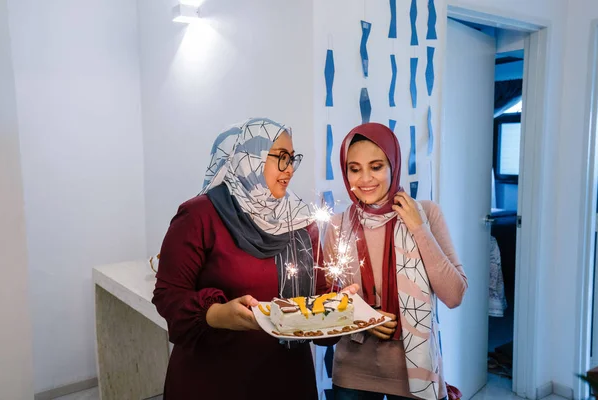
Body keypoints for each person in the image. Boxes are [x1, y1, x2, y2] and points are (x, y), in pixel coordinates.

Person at [152, 118, 347, 399]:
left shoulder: (299, 219)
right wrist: (217, 314)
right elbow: (167, 295)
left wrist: (338, 306)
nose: (290, 169)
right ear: (249, 158)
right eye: (281, 158)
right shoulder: (199, 216)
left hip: (288, 380)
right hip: (215, 381)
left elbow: (318, 294)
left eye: (293, 159)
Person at [325, 123, 468, 400]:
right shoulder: (338, 225)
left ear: (393, 164)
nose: (365, 179)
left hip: (415, 372)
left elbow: (454, 295)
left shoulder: (425, 213)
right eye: (354, 169)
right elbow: (325, 303)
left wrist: (418, 228)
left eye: (376, 166)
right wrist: (362, 318)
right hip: (354, 373)